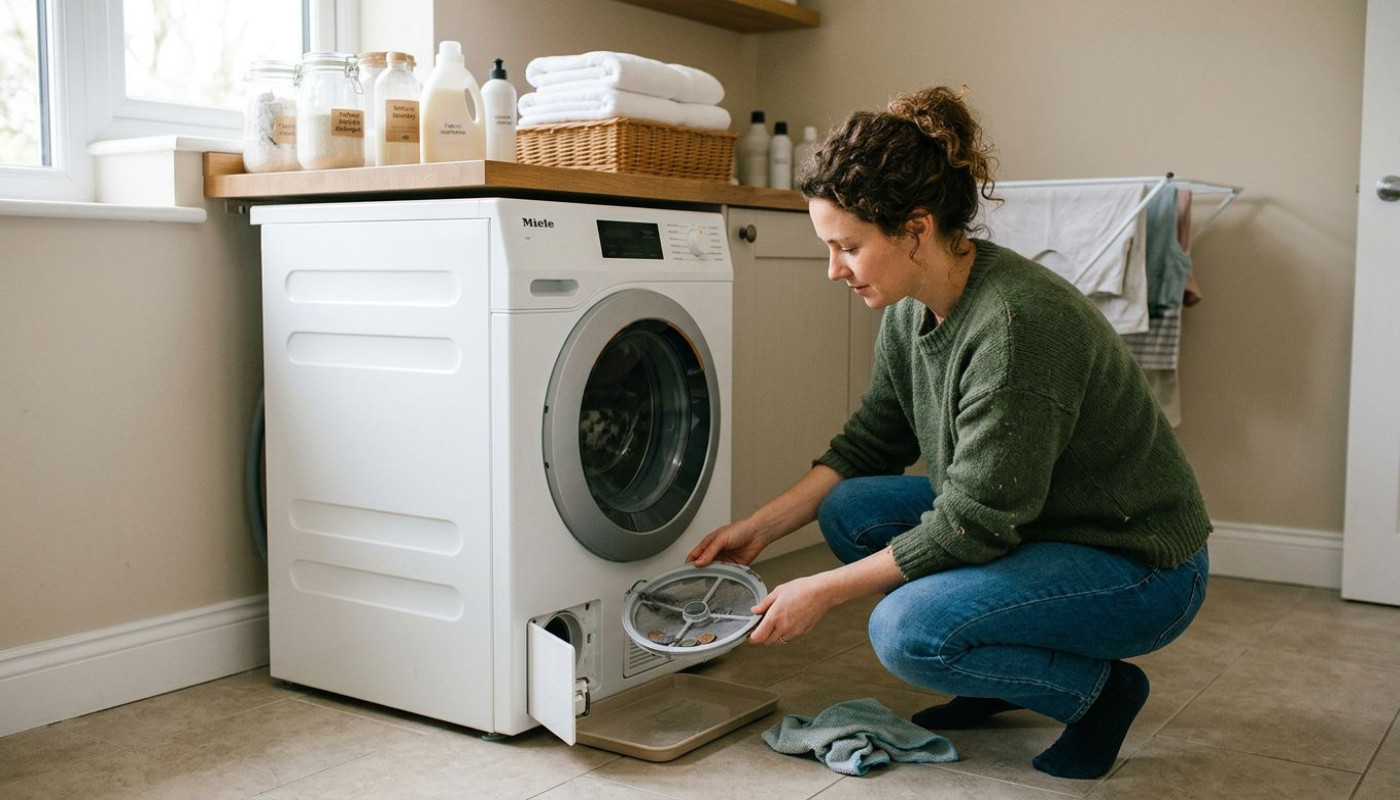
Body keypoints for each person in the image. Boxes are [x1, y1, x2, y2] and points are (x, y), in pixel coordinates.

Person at [687, 86, 1211, 780]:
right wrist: (763, 526)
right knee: (851, 508)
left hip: (1138, 562)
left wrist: (823, 588)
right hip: (1040, 521)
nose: (833, 271)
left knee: (908, 634)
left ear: (916, 228)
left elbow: (972, 525)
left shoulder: (1017, 329)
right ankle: (994, 673)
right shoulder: (911, 309)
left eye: (847, 248)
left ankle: (1102, 694)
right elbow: (870, 443)